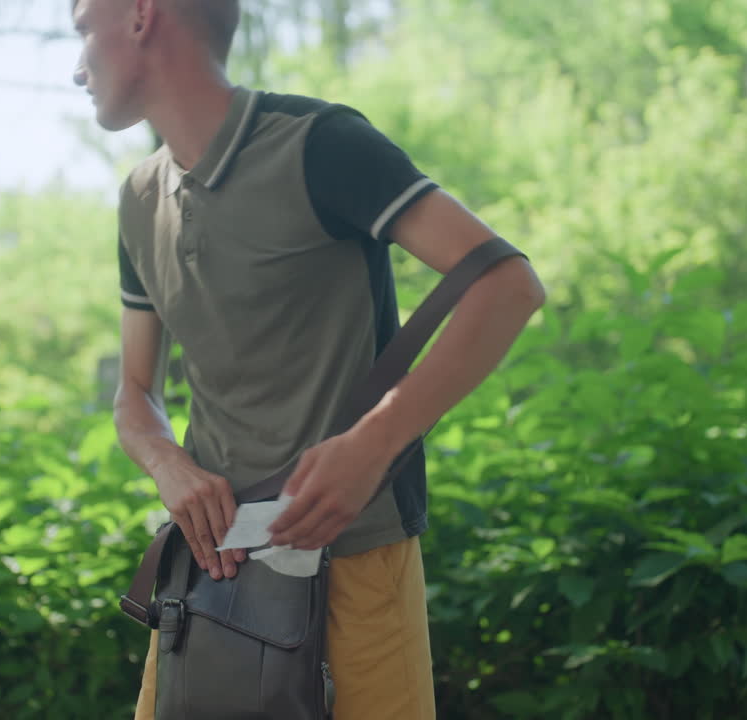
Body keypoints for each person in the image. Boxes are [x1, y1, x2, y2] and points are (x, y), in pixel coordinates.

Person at [70, 1, 546, 717]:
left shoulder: (320, 145)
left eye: (83, 26)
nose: (78, 66)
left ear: (142, 14)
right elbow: (136, 392)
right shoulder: (140, 200)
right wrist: (170, 467)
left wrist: (376, 443)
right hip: (210, 577)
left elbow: (507, 284)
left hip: (356, 563)